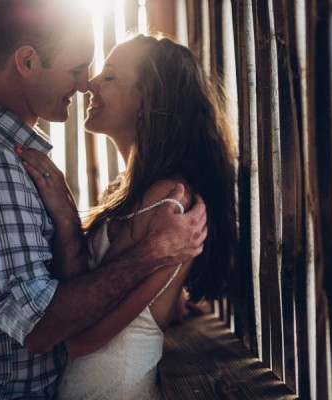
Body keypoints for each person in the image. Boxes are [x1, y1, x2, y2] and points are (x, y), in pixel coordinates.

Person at [0, 1, 207, 398]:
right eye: (75, 68)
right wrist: (153, 252)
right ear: (27, 61)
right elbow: (40, 326)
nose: (86, 83)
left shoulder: (7, 155)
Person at [16, 34, 237, 399]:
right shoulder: (132, 194)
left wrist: (68, 220)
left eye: (111, 76)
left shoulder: (169, 199)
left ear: (146, 100)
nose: (89, 84)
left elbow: (82, 337)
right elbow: (100, 291)